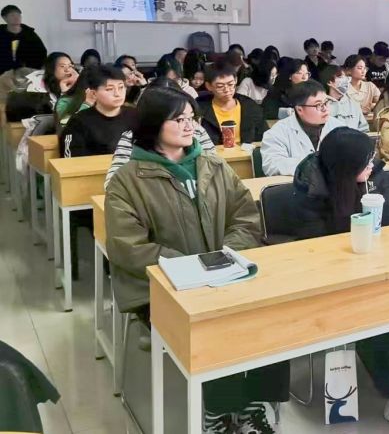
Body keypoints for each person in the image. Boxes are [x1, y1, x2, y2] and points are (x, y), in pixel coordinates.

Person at [106, 87, 286, 433]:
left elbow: (245, 217)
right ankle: (219, 411)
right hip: (163, 286)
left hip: (225, 270)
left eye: (192, 118)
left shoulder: (213, 165)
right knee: (219, 325)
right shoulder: (127, 182)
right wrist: (194, 268)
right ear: (153, 125)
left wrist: (227, 255)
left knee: (268, 314)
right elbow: (129, 247)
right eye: (179, 120)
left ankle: (251, 405)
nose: (189, 126)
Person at [286, 127, 389, 434]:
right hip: (335, 275)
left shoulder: (374, 176)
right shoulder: (313, 186)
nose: (371, 165)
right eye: (365, 161)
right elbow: (312, 244)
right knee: (374, 312)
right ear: (346, 167)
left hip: (380, 263)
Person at [261, 80, 340, 176]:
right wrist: (315, 165)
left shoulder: (338, 127)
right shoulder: (277, 133)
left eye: (326, 102)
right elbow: (272, 165)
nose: (325, 109)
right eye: (318, 105)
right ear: (299, 109)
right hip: (295, 184)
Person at [60, 64, 137, 158]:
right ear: (93, 93)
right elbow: (70, 160)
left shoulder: (135, 115)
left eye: (121, 87)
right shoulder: (79, 122)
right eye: (109, 89)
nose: (117, 94)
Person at [197, 67, 268, 146]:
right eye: (220, 86)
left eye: (230, 84)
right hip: (213, 153)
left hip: (246, 152)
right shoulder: (199, 109)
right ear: (208, 86)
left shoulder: (250, 106)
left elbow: (266, 136)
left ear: (236, 80)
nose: (227, 90)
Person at [319, 65, 368, 132]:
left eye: (345, 77)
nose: (345, 80)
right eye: (340, 77)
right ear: (329, 82)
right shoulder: (321, 104)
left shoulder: (354, 104)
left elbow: (364, 129)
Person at [0, 4, 47, 73]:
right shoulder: (1, 34)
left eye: (18, 15)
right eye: (12, 15)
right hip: (4, 73)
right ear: (4, 18)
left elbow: (41, 53)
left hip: (28, 72)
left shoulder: (29, 34)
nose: (16, 18)